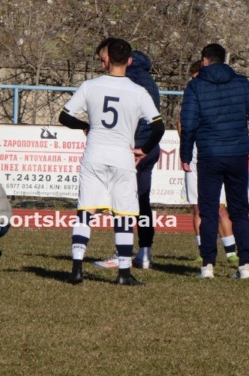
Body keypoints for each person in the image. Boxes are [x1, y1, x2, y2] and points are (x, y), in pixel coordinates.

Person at [59, 37, 164, 286]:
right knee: (124, 215)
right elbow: (158, 127)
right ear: (128, 60)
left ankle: (76, 269)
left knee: (86, 211)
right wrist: (144, 149)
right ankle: (124, 273)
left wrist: (86, 125)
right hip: (122, 157)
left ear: (106, 60)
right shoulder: (138, 91)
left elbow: (64, 116)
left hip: (94, 155)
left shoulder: (90, 85)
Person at [180, 43, 249, 279]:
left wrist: (185, 154)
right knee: (240, 211)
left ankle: (207, 265)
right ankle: (244, 265)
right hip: (237, 152)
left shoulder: (195, 86)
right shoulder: (241, 82)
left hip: (209, 154)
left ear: (204, 61)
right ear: (224, 60)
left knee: (208, 211)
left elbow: (188, 123)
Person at [92, 41, 163, 270]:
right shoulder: (145, 77)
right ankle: (144, 253)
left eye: (105, 60)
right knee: (142, 202)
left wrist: (137, 148)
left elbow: (143, 119)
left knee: (121, 202)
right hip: (148, 148)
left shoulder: (128, 80)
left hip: (135, 149)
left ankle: (121, 255)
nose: (104, 65)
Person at [179, 60, 239, 266]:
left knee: (220, 207)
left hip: (213, 155)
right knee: (198, 208)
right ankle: (202, 249)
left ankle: (231, 251)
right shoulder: (191, 96)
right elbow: (183, 125)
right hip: (195, 158)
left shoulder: (216, 98)